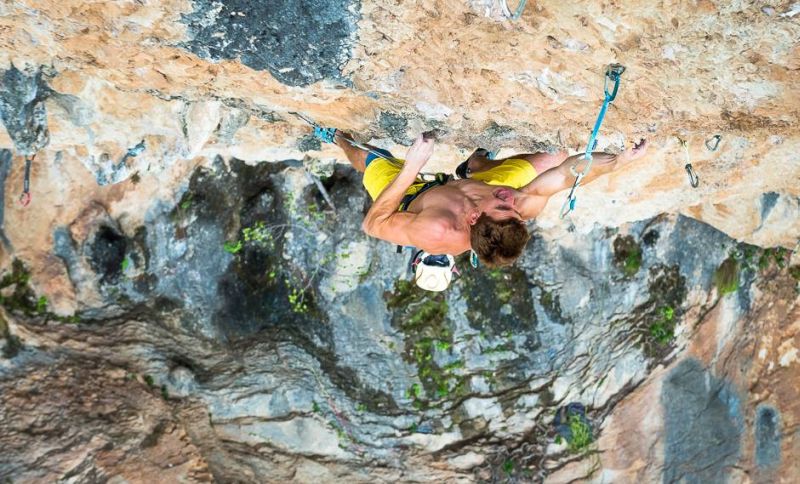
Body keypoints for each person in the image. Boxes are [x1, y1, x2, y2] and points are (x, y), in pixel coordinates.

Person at [322, 128, 647, 267]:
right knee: (552, 157)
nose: (512, 199)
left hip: (412, 195)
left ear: (474, 218)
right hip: (472, 186)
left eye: (503, 205)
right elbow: (566, 172)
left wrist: (412, 167)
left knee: (370, 157)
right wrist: (618, 162)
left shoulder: (434, 231)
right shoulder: (516, 208)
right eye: (514, 209)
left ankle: (336, 138)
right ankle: (475, 165)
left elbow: (374, 223)